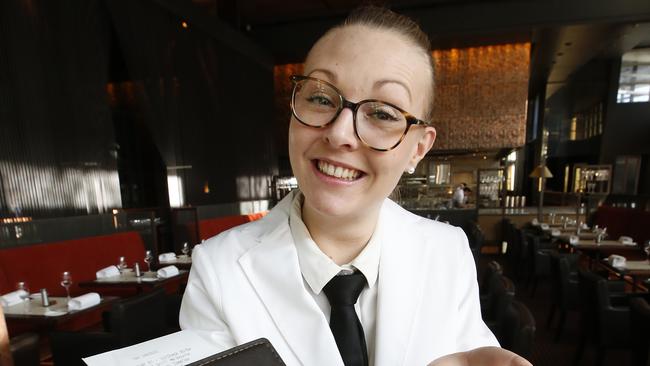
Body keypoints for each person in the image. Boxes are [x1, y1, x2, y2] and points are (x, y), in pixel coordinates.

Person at [179, 6, 532, 366]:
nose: (339, 133)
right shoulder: (218, 270)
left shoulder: (447, 252)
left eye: (382, 114)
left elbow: (467, 350)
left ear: (418, 149)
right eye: (320, 98)